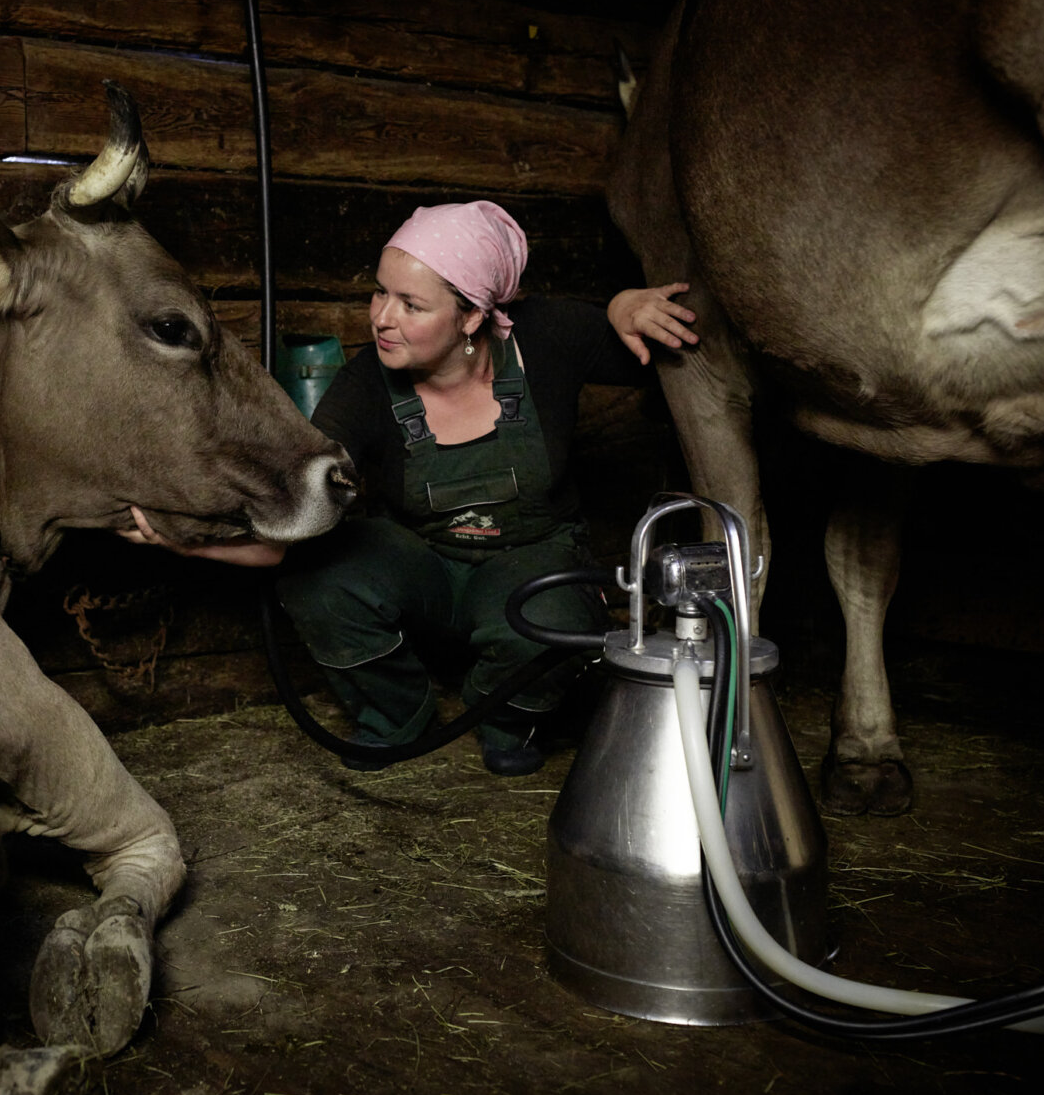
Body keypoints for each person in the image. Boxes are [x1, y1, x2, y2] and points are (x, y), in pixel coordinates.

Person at [122, 200, 695, 776]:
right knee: (317, 577)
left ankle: (505, 716)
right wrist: (188, 540)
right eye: (379, 292)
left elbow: (645, 351)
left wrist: (624, 302)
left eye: (411, 304)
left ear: (471, 317)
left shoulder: (547, 337)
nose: (381, 318)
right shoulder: (365, 384)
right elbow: (296, 523)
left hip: (533, 561)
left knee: (557, 620)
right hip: (427, 569)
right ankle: (397, 714)